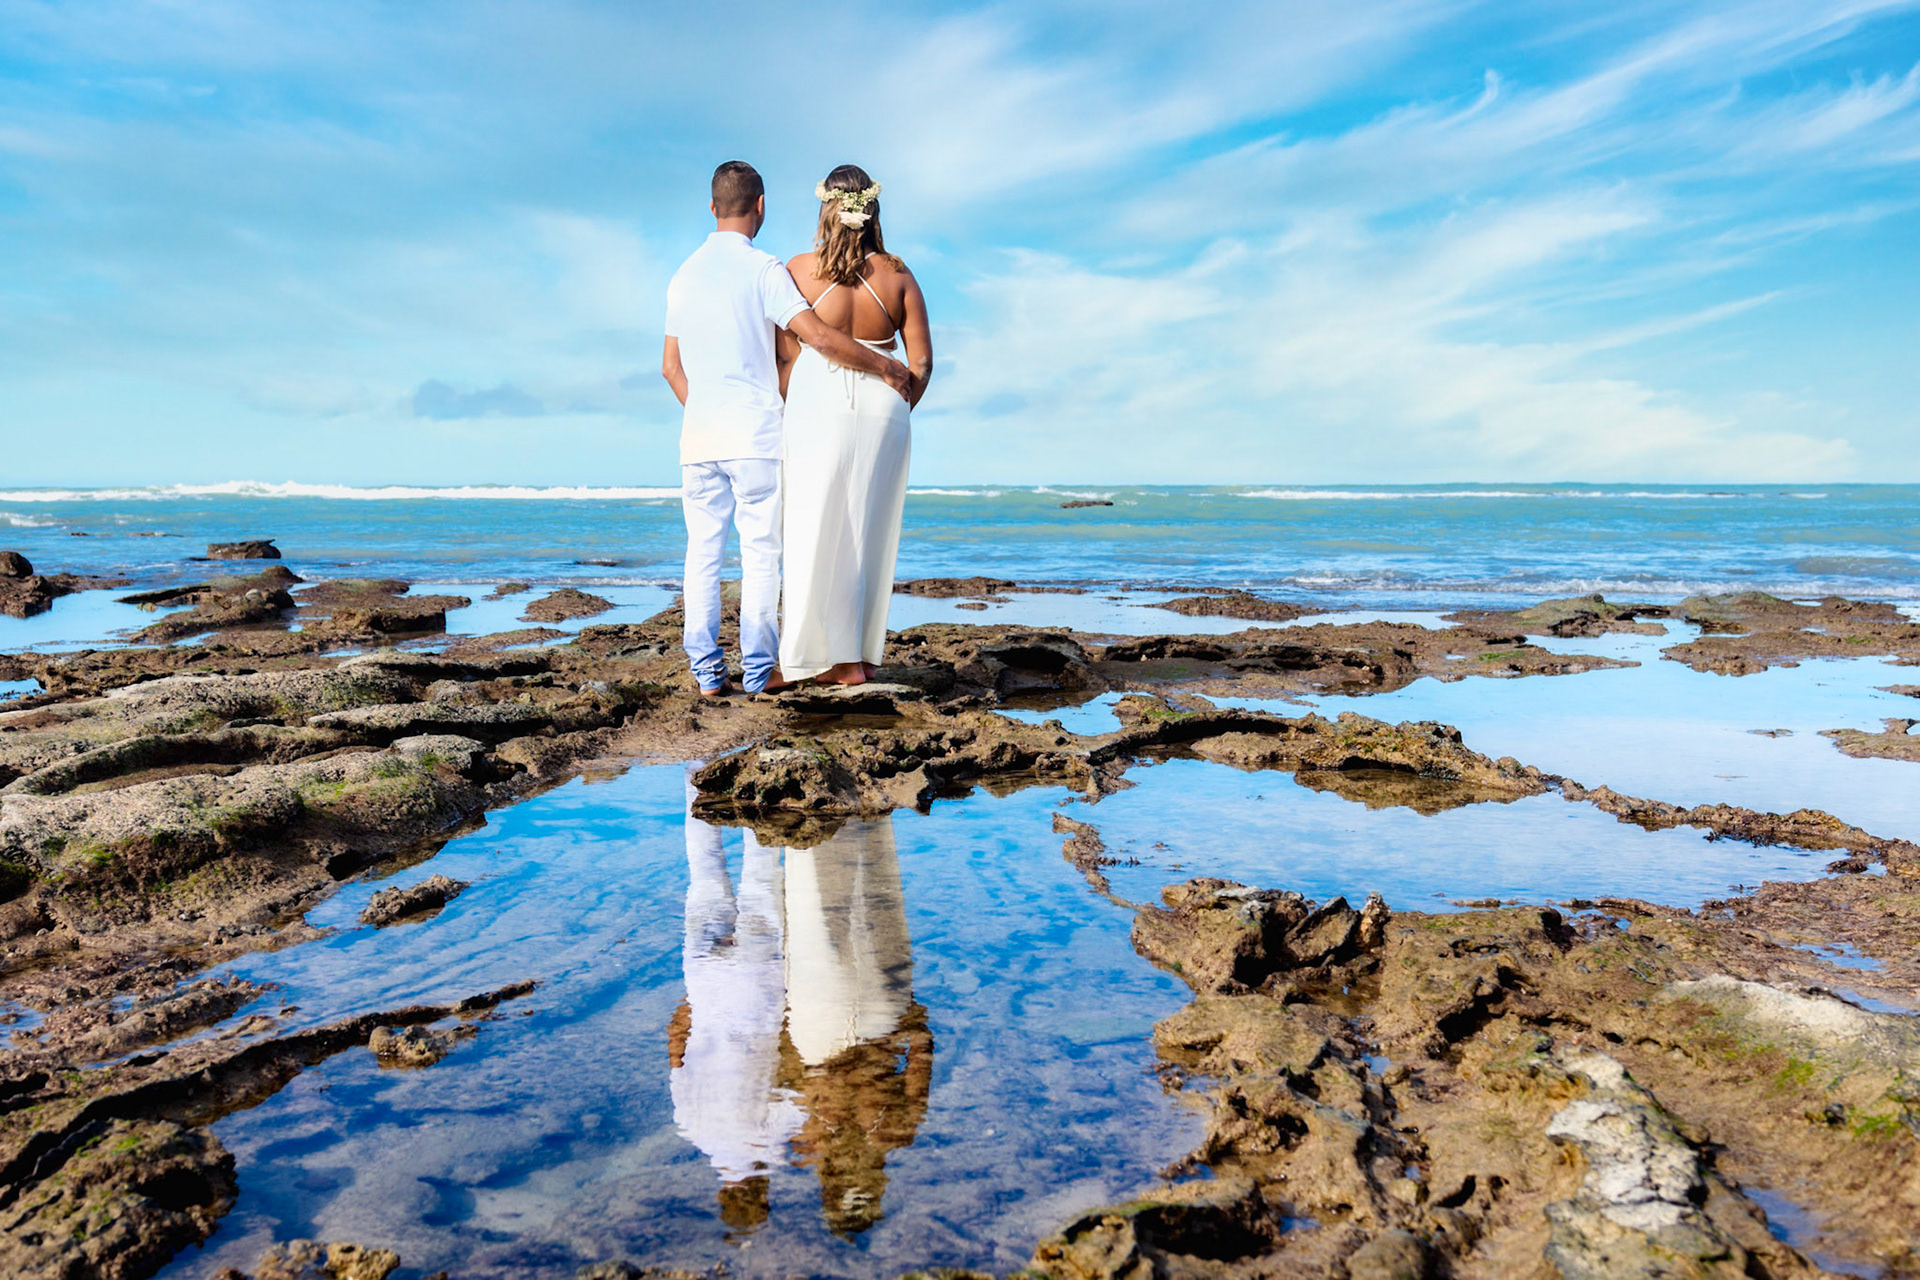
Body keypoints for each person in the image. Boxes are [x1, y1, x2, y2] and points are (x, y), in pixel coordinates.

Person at [662, 160, 911, 697]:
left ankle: (707, 677)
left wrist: (706, 413)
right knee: (760, 557)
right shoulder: (765, 270)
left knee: (701, 553)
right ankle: (756, 673)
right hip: (754, 437)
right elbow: (817, 338)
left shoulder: (682, 276)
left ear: (712, 207)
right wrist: (887, 367)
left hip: (698, 439)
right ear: (761, 205)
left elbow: (671, 369)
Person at [774, 164, 933, 687]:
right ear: (873, 211)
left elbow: (784, 358)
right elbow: (922, 365)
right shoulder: (899, 273)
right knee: (869, 529)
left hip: (816, 402)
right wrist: (895, 411)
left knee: (810, 527)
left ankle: (814, 659)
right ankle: (858, 659)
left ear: (826, 208)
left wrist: (794, 406)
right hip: (886, 406)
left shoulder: (797, 269)